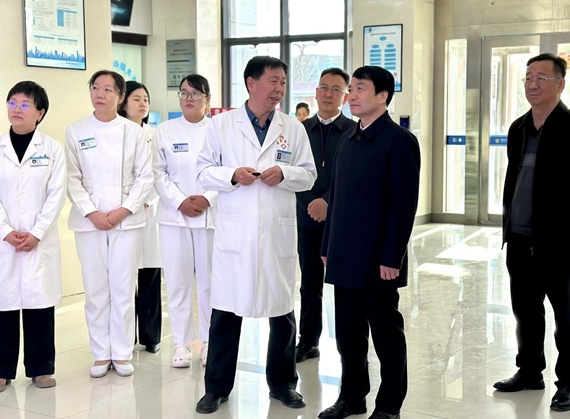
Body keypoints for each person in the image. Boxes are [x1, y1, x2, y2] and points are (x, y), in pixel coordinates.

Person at [194, 56, 317, 414]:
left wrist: (285, 173)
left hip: (277, 232)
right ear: (251, 82)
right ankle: (216, 388)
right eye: (273, 81)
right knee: (226, 313)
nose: (279, 89)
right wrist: (232, 175)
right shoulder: (221, 125)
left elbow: (309, 175)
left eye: (283, 82)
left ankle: (283, 385)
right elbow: (203, 171)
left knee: (282, 312)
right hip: (237, 233)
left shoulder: (293, 128)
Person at [318, 66, 420, 419]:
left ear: (383, 96)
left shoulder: (399, 141)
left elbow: (403, 205)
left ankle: (389, 406)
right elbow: (336, 198)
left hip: (379, 259)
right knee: (348, 335)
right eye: (353, 89)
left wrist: (393, 257)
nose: (353, 95)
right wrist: (327, 247)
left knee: (386, 334)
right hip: (344, 255)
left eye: (361, 89)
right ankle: (352, 397)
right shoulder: (349, 137)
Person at [493, 52, 570, 412]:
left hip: (559, 243)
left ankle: (568, 382)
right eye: (527, 78)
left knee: (566, 318)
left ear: (560, 84)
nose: (532, 84)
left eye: (541, 78)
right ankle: (529, 371)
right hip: (519, 239)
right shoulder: (518, 128)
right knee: (525, 312)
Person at [66, 70, 153, 378]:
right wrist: (92, 213)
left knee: (123, 286)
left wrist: (122, 211)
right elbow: (72, 179)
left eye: (107, 89)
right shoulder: (76, 131)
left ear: (120, 97)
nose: (100, 94)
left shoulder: (133, 132)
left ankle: (122, 352)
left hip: (126, 220)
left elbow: (145, 177)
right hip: (88, 221)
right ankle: (101, 353)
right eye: (95, 88)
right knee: (95, 288)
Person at [0, 81, 66, 392]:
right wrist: (5, 231)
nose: (17, 109)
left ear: (40, 113)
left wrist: (37, 233)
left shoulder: (52, 150)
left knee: (39, 303)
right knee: (4, 303)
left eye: (25, 104)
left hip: (40, 240)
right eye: (12, 103)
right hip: (4, 242)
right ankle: (2, 370)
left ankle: (41, 368)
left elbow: (56, 195)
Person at [153, 74, 217, 368]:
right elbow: (158, 173)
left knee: (208, 282)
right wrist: (179, 201)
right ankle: (181, 343)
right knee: (177, 282)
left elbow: (224, 170)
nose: (188, 98)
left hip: (208, 215)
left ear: (207, 99)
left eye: (195, 93)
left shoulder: (217, 130)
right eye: (184, 93)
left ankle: (207, 341)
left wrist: (206, 198)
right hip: (173, 216)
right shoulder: (164, 131)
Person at [295, 68, 356, 363]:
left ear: (345, 97)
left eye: (336, 89)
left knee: (346, 285)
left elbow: (353, 176)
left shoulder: (354, 131)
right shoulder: (300, 131)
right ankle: (308, 341)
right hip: (307, 218)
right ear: (315, 92)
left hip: (342, 219)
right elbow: (293, 171)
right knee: (309, 283)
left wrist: (327, 202)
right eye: (323, 87)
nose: (328, 94)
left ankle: (350, 346)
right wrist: (311, 203)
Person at [118, 81, 163, 354]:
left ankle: (151, 336)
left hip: (150, 210)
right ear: (123, 103)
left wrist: (147, 200)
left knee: (150, 274)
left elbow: (160, 173)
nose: (143, 103)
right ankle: (123, 337)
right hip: (122, 211)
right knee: (123, 276)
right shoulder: (116, 133)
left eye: (145, 98)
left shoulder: (155, 135)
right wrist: (129, 203)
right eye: (136, 98)